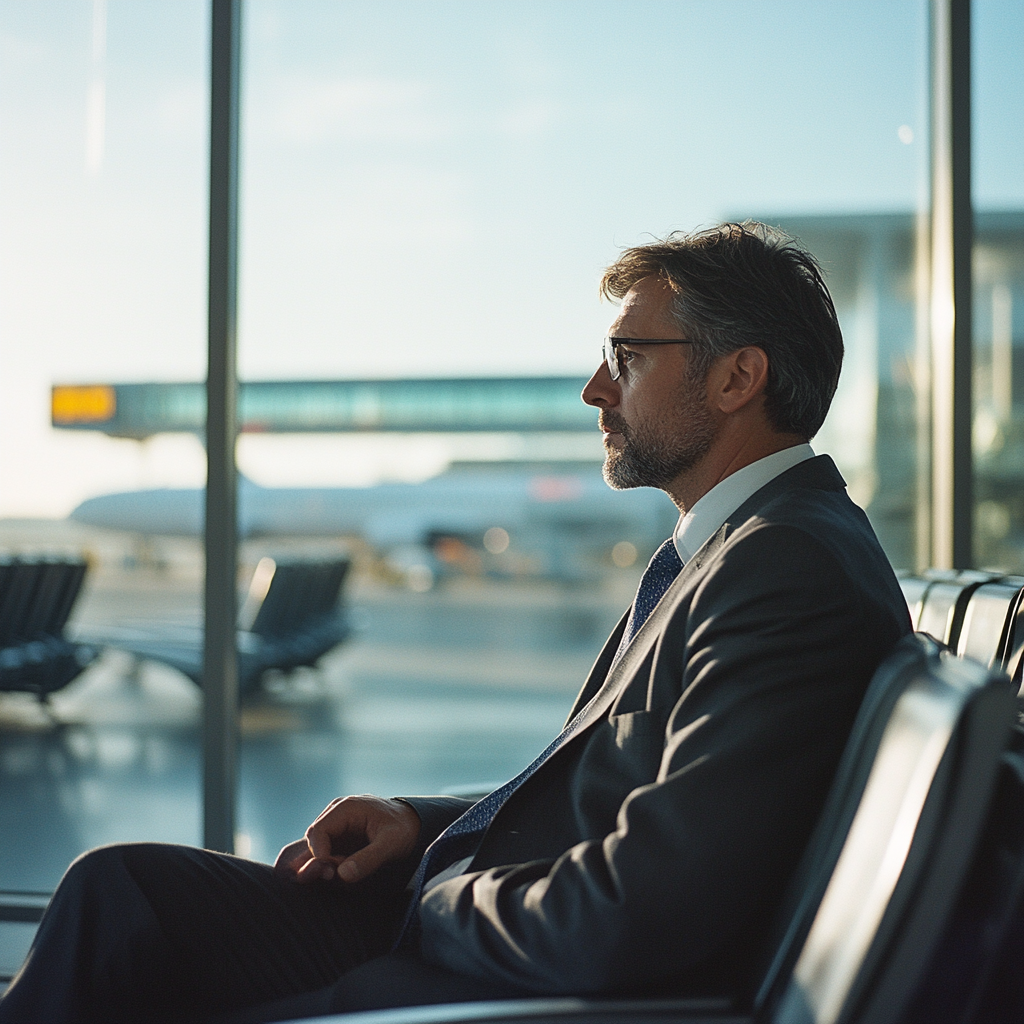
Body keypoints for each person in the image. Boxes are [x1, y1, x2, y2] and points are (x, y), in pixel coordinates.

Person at [0, 223, 911, 1024]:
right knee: (119, 893)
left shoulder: (785, 569)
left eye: (628, 358)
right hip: (513, 915)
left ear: (737, 376)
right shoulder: (744, 546)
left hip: (527, 976)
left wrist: (445, 889)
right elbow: (611, 788)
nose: (596, 389)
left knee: (133, 956)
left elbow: (650, 908)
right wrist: (425, 825)